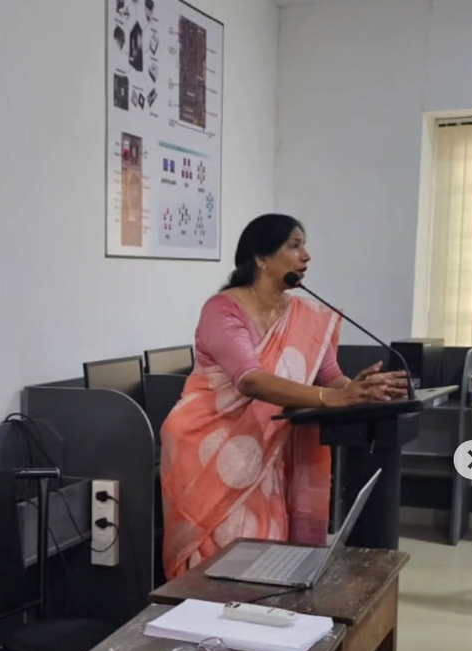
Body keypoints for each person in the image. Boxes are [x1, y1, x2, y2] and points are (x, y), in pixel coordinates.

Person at [159, 214, 408, 580]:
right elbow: (251, 381)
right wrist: (336, 398)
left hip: (266, 447)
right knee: (216, 566)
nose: (306, 256)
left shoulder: (305, 316)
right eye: (294, 245)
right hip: (206, 446)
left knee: (265, 557)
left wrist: (363, 390)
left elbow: (330, 378)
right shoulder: (223, 309)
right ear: (261, 257)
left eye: (304, 246)